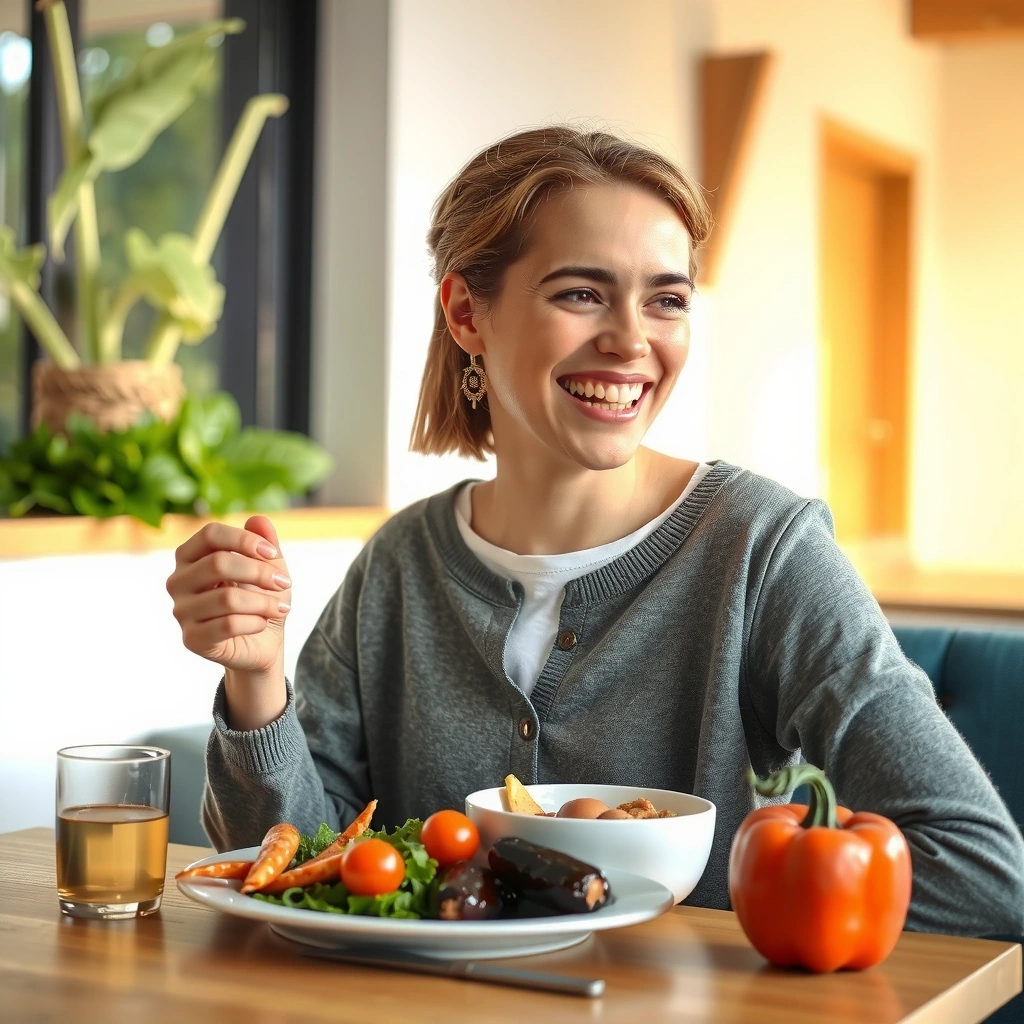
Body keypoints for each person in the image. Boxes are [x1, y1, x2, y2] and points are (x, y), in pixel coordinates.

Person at [167, 125, 1024, 936]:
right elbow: (290, 871)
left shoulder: (762, 548)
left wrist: (734, 922)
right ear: (467, 314)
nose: (630, 342)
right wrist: (258, 681)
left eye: (666, 300)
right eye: (581, 293)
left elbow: (982, 872)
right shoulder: (400, 564)